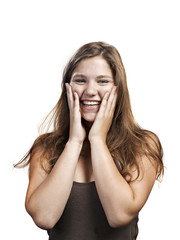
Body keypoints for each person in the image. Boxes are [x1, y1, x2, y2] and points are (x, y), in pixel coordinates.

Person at [14, 41, 164, 240]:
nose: (91, 91)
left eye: (102, 81)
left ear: (118, 90)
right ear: (67, 87)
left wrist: (97, 141)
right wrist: (74, 142)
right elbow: (44, 217)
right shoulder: (46, 148)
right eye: (80, 80)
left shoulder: (142, 145)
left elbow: (119, 215)